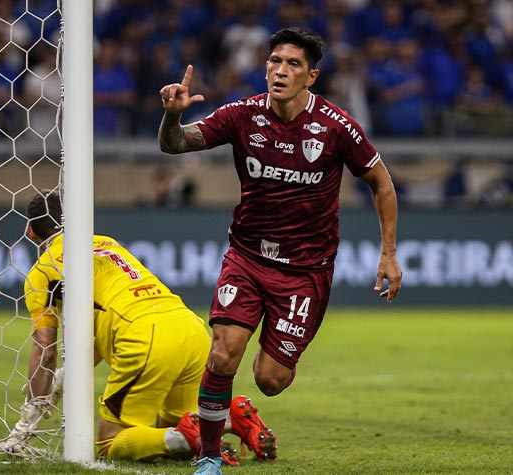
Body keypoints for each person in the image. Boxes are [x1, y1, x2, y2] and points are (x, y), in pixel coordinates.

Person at [158, 27, 403, 475]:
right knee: (222, 353)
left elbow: (381, 182)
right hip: (247, 257)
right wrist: (172, 116)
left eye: (292, 64)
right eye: (274, 61)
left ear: (311, 76)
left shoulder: (336, 126)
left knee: (271, 380)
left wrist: (388, 252)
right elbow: (175, 143)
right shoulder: (242, 114)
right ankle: (210, 456)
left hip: (305, 271)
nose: (280, 70)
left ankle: (242, 409)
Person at [5, 190, 273, 464]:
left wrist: (30, 414)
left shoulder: (42, 272)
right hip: (190, 328)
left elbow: (45, 348)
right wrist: (64, 376)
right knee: (162, 427)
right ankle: (232, 419)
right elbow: (98, 337)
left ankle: (191, 438)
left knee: (110, 443)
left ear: (30, 231)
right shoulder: (106, 243)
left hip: (145, 336)